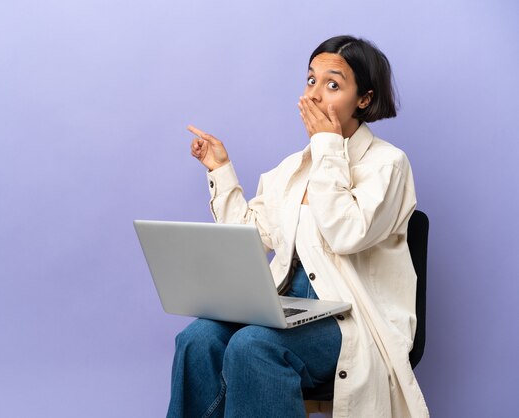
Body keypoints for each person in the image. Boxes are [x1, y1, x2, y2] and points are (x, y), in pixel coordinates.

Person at [168, 35, 429, 418]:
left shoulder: (388, 165)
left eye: (333, 84)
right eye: (311, 80)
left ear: (365, 99)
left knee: (254, 346)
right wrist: (220, 170)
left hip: (350, 320)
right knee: (197, 339)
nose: (315, 95)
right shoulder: (294, 168)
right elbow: (251, 237)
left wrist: (327, 145)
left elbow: (346, 234)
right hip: (284, 307)